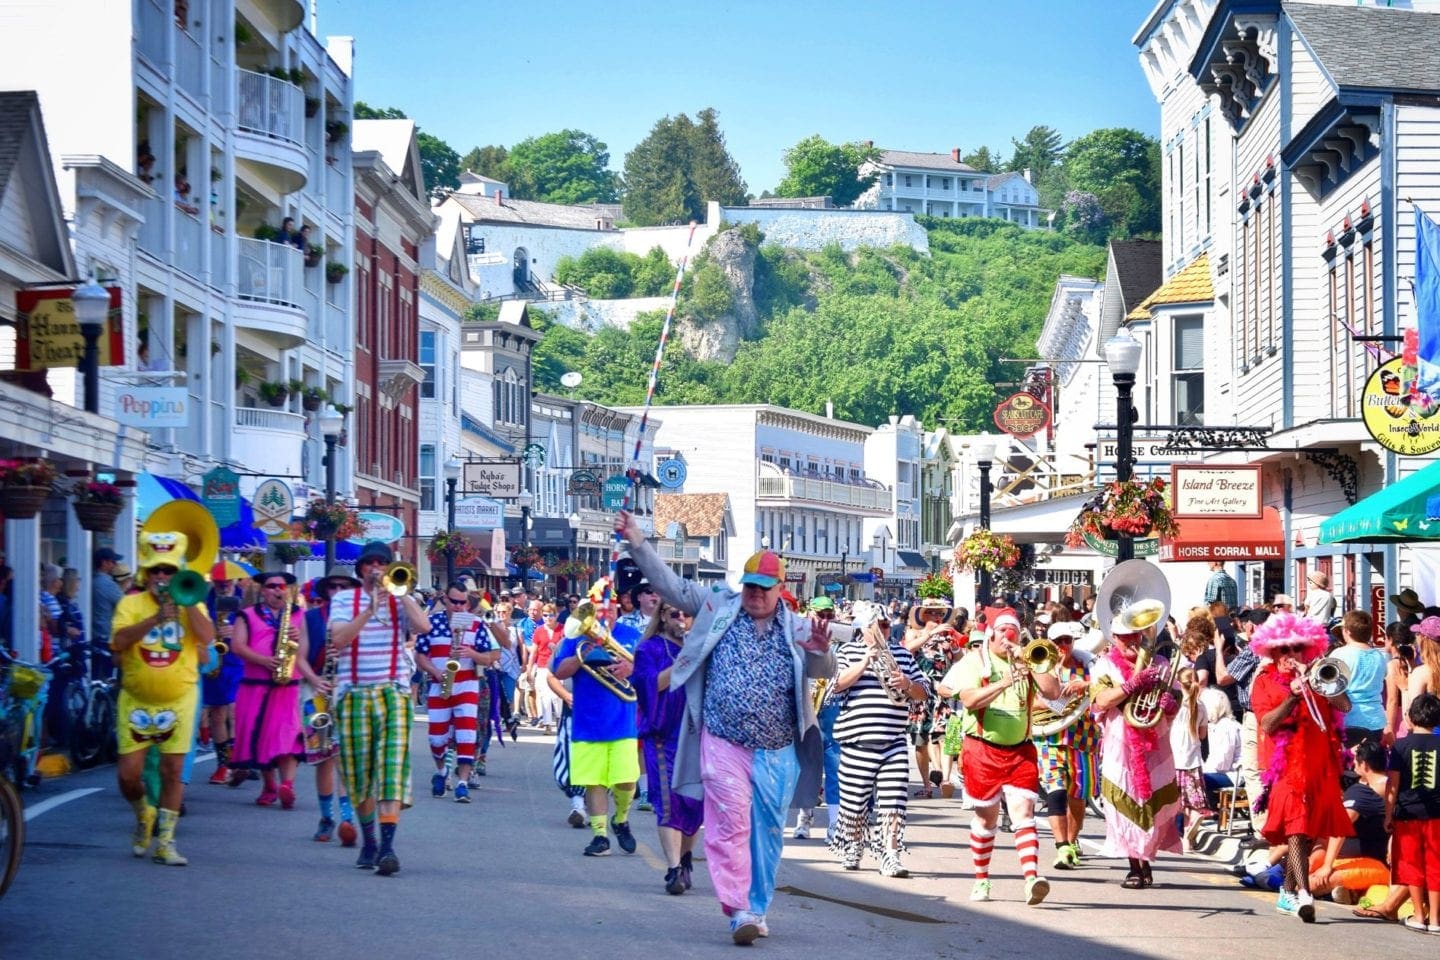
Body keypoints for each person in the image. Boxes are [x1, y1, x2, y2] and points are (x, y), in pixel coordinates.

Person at [615, 511, 834, 945]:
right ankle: (737, 909)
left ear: (780, 592)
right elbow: (670, 587)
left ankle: (757, 907)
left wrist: (824, 651)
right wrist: (638, 542)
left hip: (776, 748)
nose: (755, 594)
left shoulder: (797, 626)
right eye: (750, 585)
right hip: (722, 739)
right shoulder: (718, 605)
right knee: (729, 823)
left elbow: (823, 666)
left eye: (764, 589)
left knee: (767, 831)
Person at [940, 609, 1062, 906]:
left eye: (1014, 632)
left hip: (1020, 750)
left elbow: (1054, 692)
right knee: (987, 819)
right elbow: (969, 699)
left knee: (1024, 815)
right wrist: (1006, 681)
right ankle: (982, 881)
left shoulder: (1027, 660)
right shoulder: (974, 661)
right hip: (983, 749)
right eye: (1003, 631)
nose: (1009, 637)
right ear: (991, 633)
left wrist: (1031, 663)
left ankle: (1032, 878)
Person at [109, 529, 216, 865]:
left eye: (169, 570)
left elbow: (208, 638)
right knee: (128, 775)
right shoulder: (130, 603)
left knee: (172, 771)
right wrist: (156, 618)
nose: (161, 576)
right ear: (146, 573)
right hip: (136, 699)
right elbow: (118, 643)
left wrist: (186, 605)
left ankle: (166, 842)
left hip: (179, 698)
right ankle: (144, 814)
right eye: (156, 570)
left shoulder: (192, 602)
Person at [327, 542, 431, 876]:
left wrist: (399, 594)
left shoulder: (402, 600)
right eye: (370, 563)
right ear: (360, 570)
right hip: (354, 692)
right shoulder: (343, 599)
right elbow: (340, 640)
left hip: (394, 691)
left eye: (381, 564)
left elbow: (424, 628)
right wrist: (369, 610)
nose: (375, 568)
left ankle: (387, 846)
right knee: (359, 774)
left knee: (390, 769)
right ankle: (369, 840)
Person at [1250, 612, 1353, 922]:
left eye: (1297, 648)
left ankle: (1287, 891)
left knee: (1308, 834)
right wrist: (1293, 698)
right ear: (1272, 651)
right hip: (1287, 768)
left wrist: (1321, 683)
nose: (1291, 655)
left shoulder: (1319, 677)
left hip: (1319, 766)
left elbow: (1345, 707)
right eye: (1284, 649)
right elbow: (1267, 723)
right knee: (1296, 827)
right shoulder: (1265, 682)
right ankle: (1305, 896)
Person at [828, 601, 931, 878]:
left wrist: (907, 685)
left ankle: (890, 853)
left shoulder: (903, 654)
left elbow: (925, 692)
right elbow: (834, 686)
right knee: (853, 802)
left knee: (894, 801)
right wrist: (866, 661)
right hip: (856, 740)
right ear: (865, 629)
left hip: (894, 741)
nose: (886, 631)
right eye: (879, 626)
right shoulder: (847, 651)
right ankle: (853, 844)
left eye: (887, 625)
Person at [1091, 596, 1183, 890]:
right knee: (1122, 803)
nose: (1131, 642)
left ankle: (1146, 860)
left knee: (1152, 802)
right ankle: (1134, 865)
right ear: (1114, 638)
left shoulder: (1161, 662)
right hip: (1120, 745)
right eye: (1124, 636)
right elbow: (1101, 701)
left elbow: (1177, 698)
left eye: (1135, 634)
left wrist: (1170, 702)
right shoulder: (1104, 665)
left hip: (1155, 742)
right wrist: (1131, 685)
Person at [549, 591, 642, 858]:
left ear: (617, 610)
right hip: (588, 722)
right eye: (600, 612)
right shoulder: (574, 638)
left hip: (622, 719)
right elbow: (558, 672)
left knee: (626, 780)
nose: (606, 615)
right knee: (594, 783)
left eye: (610, 609)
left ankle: (621, 819)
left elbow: (647, 670)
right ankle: (600, 836)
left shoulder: (631, 635)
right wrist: (580, 657)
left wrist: (631, 668)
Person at [631, 599, 703, 894]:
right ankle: (673, 869)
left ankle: (685, 858)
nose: (681, 619)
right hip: (663, 734)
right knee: (668, 802)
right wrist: (684, 659)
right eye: (675, 614)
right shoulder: (649, 649)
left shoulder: (701, 647)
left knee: (694, 805)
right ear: (662, 616)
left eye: (686, 614)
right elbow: (651, 686)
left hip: (696, 734)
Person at [414, 581, 501, 803]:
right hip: (440, 683)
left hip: (467, 683)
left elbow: (491, 657)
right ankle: (442, 772)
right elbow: (420, 654)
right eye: (454, 602)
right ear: (445, 600)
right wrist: (435, 671)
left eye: (463, 603)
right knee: (436, 737)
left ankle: (462, 783)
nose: (459, 607)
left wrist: (471, 653)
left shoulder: (476, 624)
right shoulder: (431, 622)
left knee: (466, 735)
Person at [229, 572, 307, 809]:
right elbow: (237, 646)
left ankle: (288, 786)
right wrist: (263, 661)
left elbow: (308, 647)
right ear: (263, 590)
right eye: (272, 586)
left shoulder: (297, 614)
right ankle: (269, 785)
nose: (277, 590)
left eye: (281, 586)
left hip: (287, 685)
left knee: (289, 736)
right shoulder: (248, 614)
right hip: (256, 684)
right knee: (261, 737)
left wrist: (298, 636)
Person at [1031, 620, 1101, 870]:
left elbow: (1107, 688)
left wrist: (1087, 686)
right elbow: (1028, 702)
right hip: (1050, 738)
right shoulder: (1040, 666)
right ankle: (1062, 847)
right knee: (1056, 789)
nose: (1063, 646)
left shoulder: (1089, 665)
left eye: (1067, 641)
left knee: (1078, 797)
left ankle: (1072, 842)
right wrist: (1055, 698)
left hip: (1083, 738)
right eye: (1058, 641)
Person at [302, 567, 358, 845]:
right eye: (332, 586)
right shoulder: (311, 617)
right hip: (316, 692)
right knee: (321, 758)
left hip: (346, 690)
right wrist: (314, 679)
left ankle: (347, 818)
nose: (337, 591)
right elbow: (300, 657)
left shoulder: (356, 619)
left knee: (344, 757)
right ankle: (326, 817)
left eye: (343, 587)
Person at [1387, 693, 1440, 933]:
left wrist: (1388, 814)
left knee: (1411, 865)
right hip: (1437, 816)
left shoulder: (1401, 745)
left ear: (1409, 717)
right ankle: (1436, 920)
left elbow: (1393, 786)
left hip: (1407, 814)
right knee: (1436, 865)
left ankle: (1419, 915)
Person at [902, 597, 960, 798]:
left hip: (942, 691)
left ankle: (945, 779)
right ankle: (927, 785)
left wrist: (954, 645)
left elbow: (961, 660)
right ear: (923, 615)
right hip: (919, 692)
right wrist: (929, 634)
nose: (936, 617)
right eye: (932, 613)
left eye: (939, 614)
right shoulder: (914, 632)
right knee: (920, 739)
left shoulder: (947, 635)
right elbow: (908, 649)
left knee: (942, 734)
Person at [1326, 610, 1387, 747]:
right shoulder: (1379, 656)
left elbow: (1328, 685)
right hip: (1376, 719)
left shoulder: (1340, 654)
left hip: (1349, 719)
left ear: (1347, 631)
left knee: (1349, 765)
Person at [1171, 666, 1213, 848]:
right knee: (1192, 800)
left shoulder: (1175, 705)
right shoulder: (1201, 706)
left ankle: (1184, 836)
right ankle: (1189, 835)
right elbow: (1202, 735)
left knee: (1178, 801)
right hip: (1193, 760)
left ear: (1179, 683)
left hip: (1174, 757)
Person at [527, 602, 564, 732]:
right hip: (542, 666)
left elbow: (567, 649)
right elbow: (534, 651)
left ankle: (559, 719)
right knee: (544, 696)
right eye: (545, 615)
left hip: (558, 667)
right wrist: (529, 669)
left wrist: (557, 649)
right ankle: (547, 724)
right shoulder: (539, 630)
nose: (548, 618)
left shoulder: (562, 629)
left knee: (557, 695)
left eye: (551, 615)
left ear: (556, 615)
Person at [92, 547, 124, 666]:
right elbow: (125, 603)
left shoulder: (94, 580)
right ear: (104, 563)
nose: (115, 565)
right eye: (113, 562)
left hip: (96, 634)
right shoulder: (106, 584)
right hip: (104, 636)